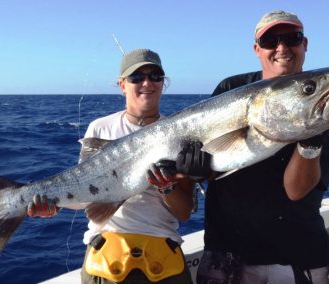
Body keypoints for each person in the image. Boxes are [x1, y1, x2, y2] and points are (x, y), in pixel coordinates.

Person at [28, 48, 207, 284]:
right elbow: (86, 194)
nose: (147, 83)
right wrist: (54, 205)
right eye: (136, 77)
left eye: (155, 76)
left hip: (164, 256)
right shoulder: (100, 128)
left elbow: (184, 212)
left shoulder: (181, 133)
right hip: (105, 258)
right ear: (122, 84)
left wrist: (167, 188)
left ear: (163, 83)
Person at [196, 10, 329, 284]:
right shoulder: (231, 88)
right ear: (257, 49)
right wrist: (193, 167)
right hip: (227, 254)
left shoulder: (324, 107)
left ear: (305, 44)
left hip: (299, 257)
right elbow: (211, 169)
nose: (282, 48)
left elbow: (296, 190)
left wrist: (311, 135)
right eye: (271, 41)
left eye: (291, 38)